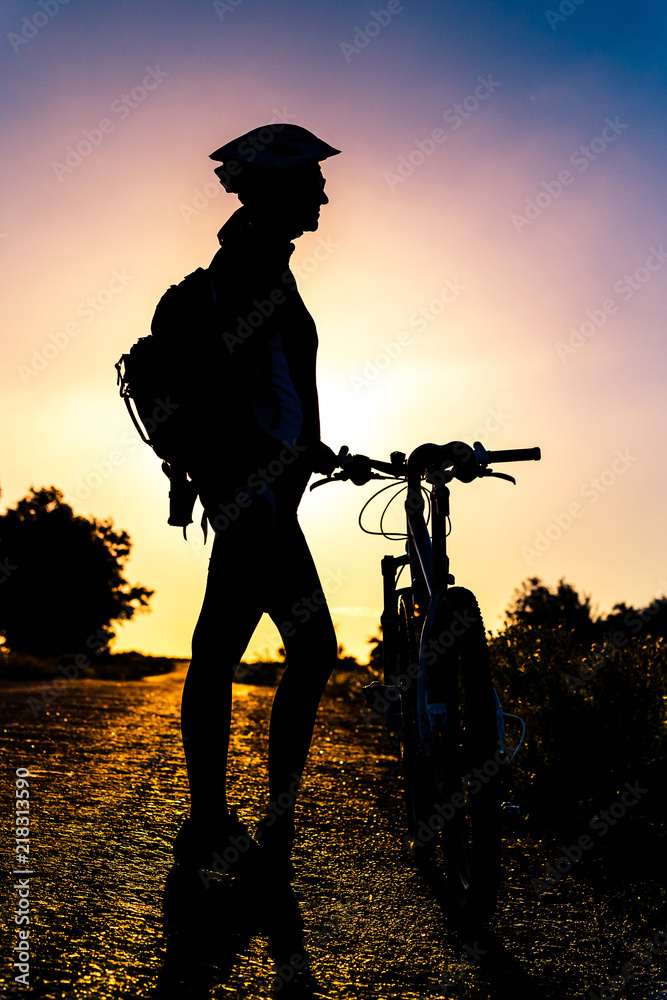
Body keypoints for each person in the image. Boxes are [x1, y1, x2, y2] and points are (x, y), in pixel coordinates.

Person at [173, 124, 341, 879]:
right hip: (258, 497)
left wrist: (311, 447)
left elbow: (271, 388)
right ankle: (258, 825)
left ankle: (213, 821)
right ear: (275, 189)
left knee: (218, 653)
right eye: (311, 181)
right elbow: (227, 394)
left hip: (263, 491)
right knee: (307, 649)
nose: (324, 194)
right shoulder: (248, 269)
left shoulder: (262, 264)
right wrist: (256, 484)